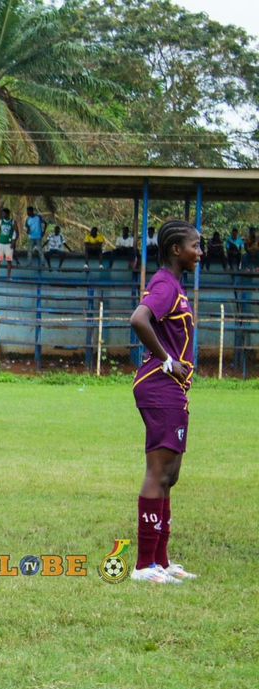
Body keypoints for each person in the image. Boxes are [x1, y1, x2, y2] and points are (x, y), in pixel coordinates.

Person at [128, 221, 200, 584]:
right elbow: (139, 319)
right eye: (195, 246)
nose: (200, 253)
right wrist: (167, 359)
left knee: (171, 474)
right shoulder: (164, 285)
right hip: (159, 385)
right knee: (158, 471)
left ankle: (161, 560)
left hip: (172, 389)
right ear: (176, 250)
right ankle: (144, 565)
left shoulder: (176, 287)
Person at [0, 207, 17, 277]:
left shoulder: (13, 222)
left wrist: (13, 242)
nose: (3, 215)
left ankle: (8, 276)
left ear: (8, 214)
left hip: (8, 244)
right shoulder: (1, 221)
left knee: (9, 261)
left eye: (4, 213)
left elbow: (17, 233)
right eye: (2, 213)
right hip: (0, 243)